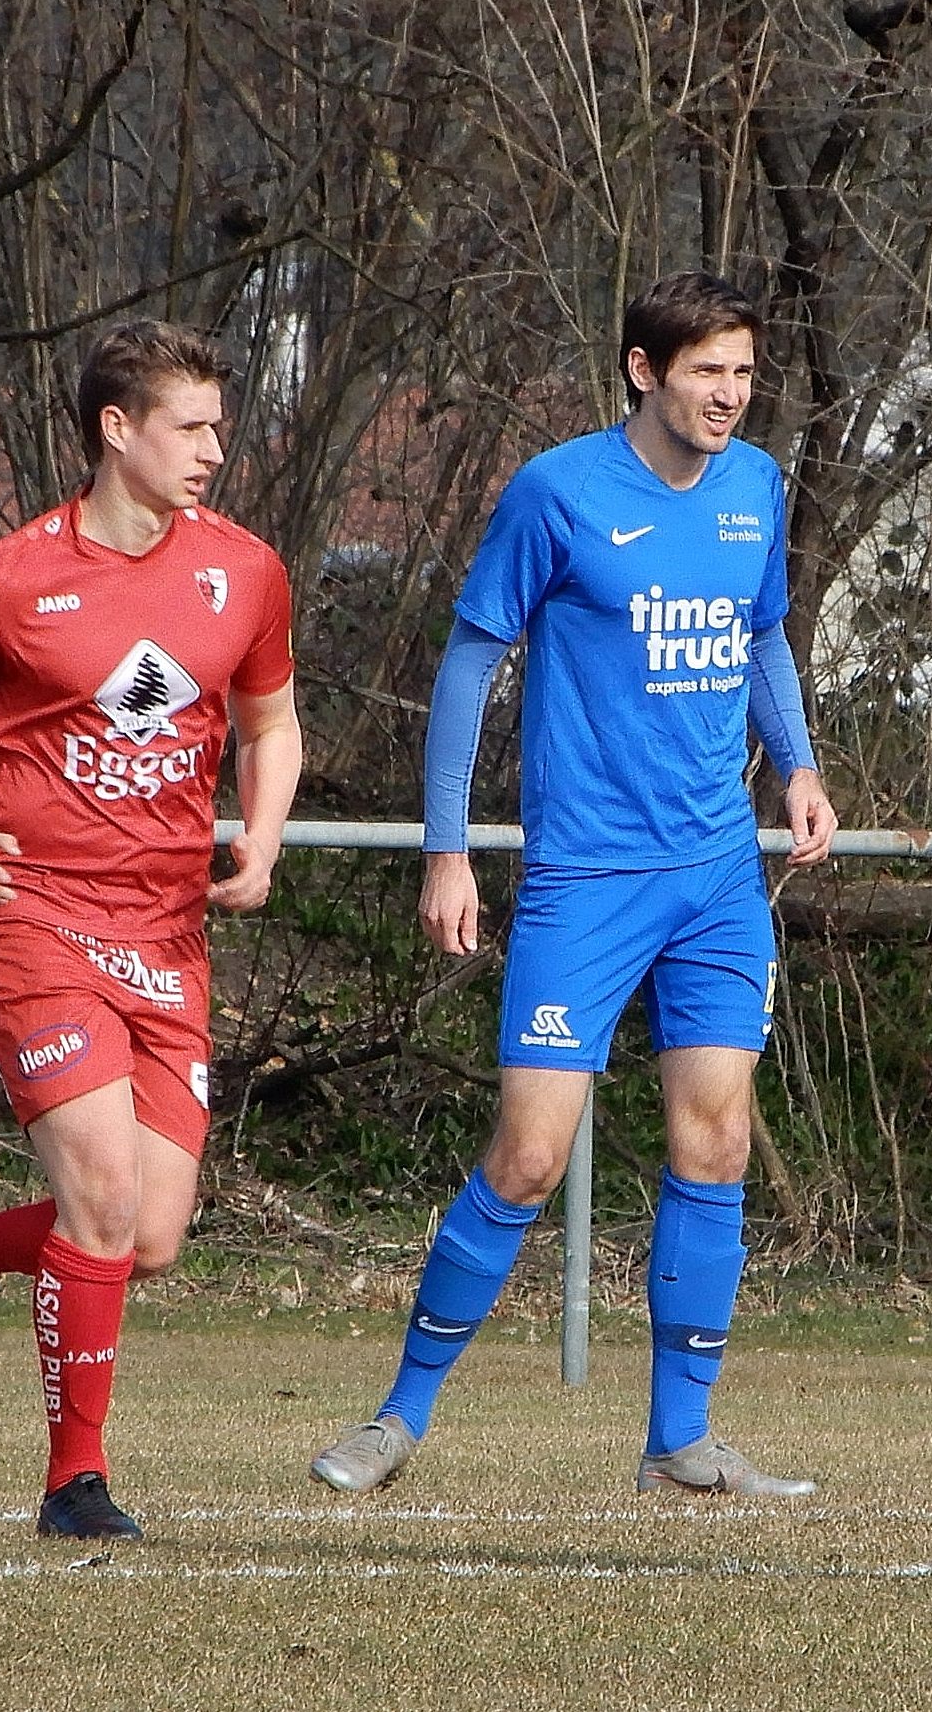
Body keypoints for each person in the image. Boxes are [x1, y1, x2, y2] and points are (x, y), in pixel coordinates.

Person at [309, 271, 836, 1501]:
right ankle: (397, 1417)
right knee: (529, 1156)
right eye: (708, 369)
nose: (730, 393)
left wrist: (799, 768)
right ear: (645, 372)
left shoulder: (756, 488)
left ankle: (680, 1441)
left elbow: (763, 636)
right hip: (584, 878)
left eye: (745, 372)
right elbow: (468, 665)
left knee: (714, 1140)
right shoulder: (559, 492)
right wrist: (449, 848)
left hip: (714, 875)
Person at [0, 319, 300, 1542]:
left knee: (150, 1236)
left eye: (220, 425)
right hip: (36, 919)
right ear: (116, 429)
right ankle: (76, 1481)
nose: (214, 449)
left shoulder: (245, 572)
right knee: (105, 1200)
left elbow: (272, 724)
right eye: (191, 425)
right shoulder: (4, 580)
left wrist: (262, 836)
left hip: (167, 931)